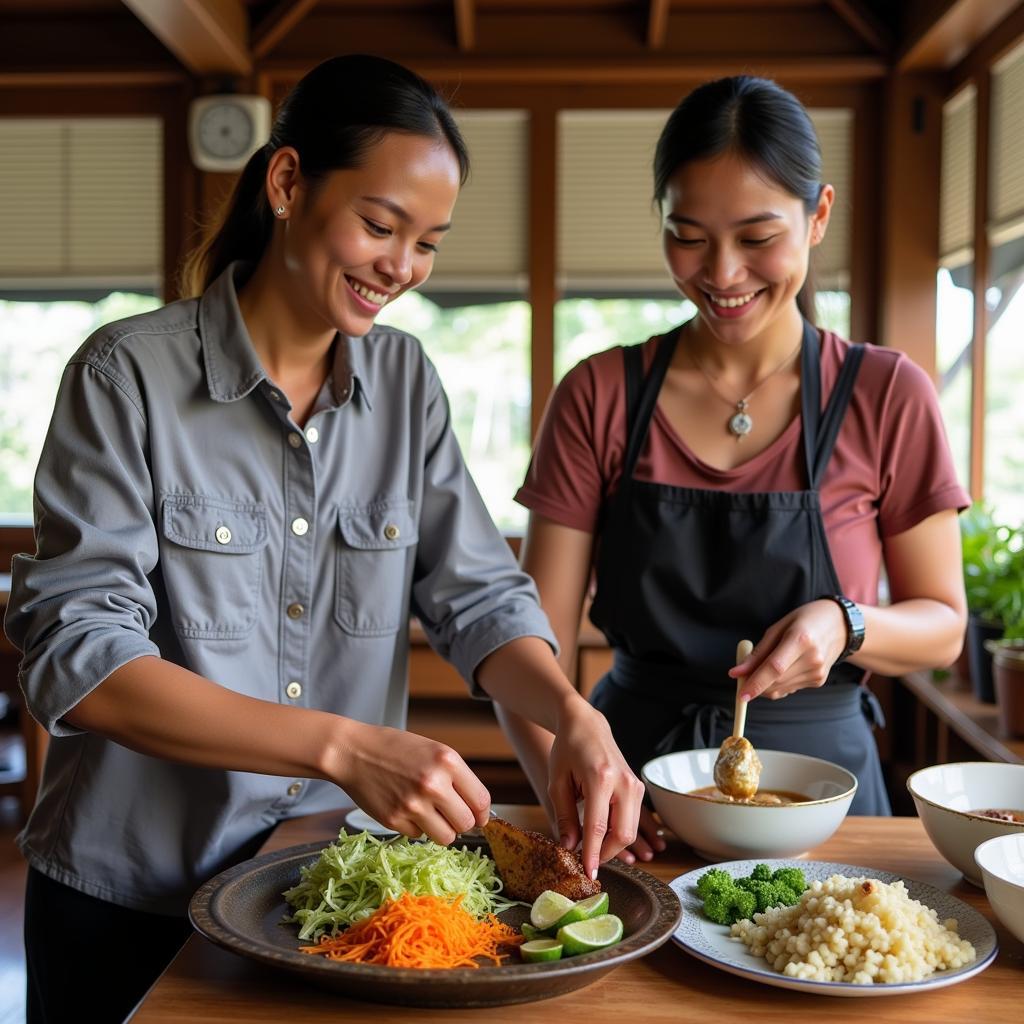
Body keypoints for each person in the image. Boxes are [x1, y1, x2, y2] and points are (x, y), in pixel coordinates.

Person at [5, 54, 643, 1024]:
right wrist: (344, 747)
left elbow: (478, 596)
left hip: (320, 907)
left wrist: (569, 710)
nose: (403, 266)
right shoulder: (125, 374)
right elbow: (81, 661)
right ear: (289, 183)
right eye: (380, 225)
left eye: (427, 241)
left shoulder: (407, 384)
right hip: (124, 900)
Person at [498, 74, 969, 863]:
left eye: (756, 237)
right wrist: (563, 765)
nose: (720, 272)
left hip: (826, 804)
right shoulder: (600, 394)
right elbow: (526, 645)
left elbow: (944, 628)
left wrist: (847, 624)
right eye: (688, 234)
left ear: (818, 216)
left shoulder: (888, 393)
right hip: (631, 800)